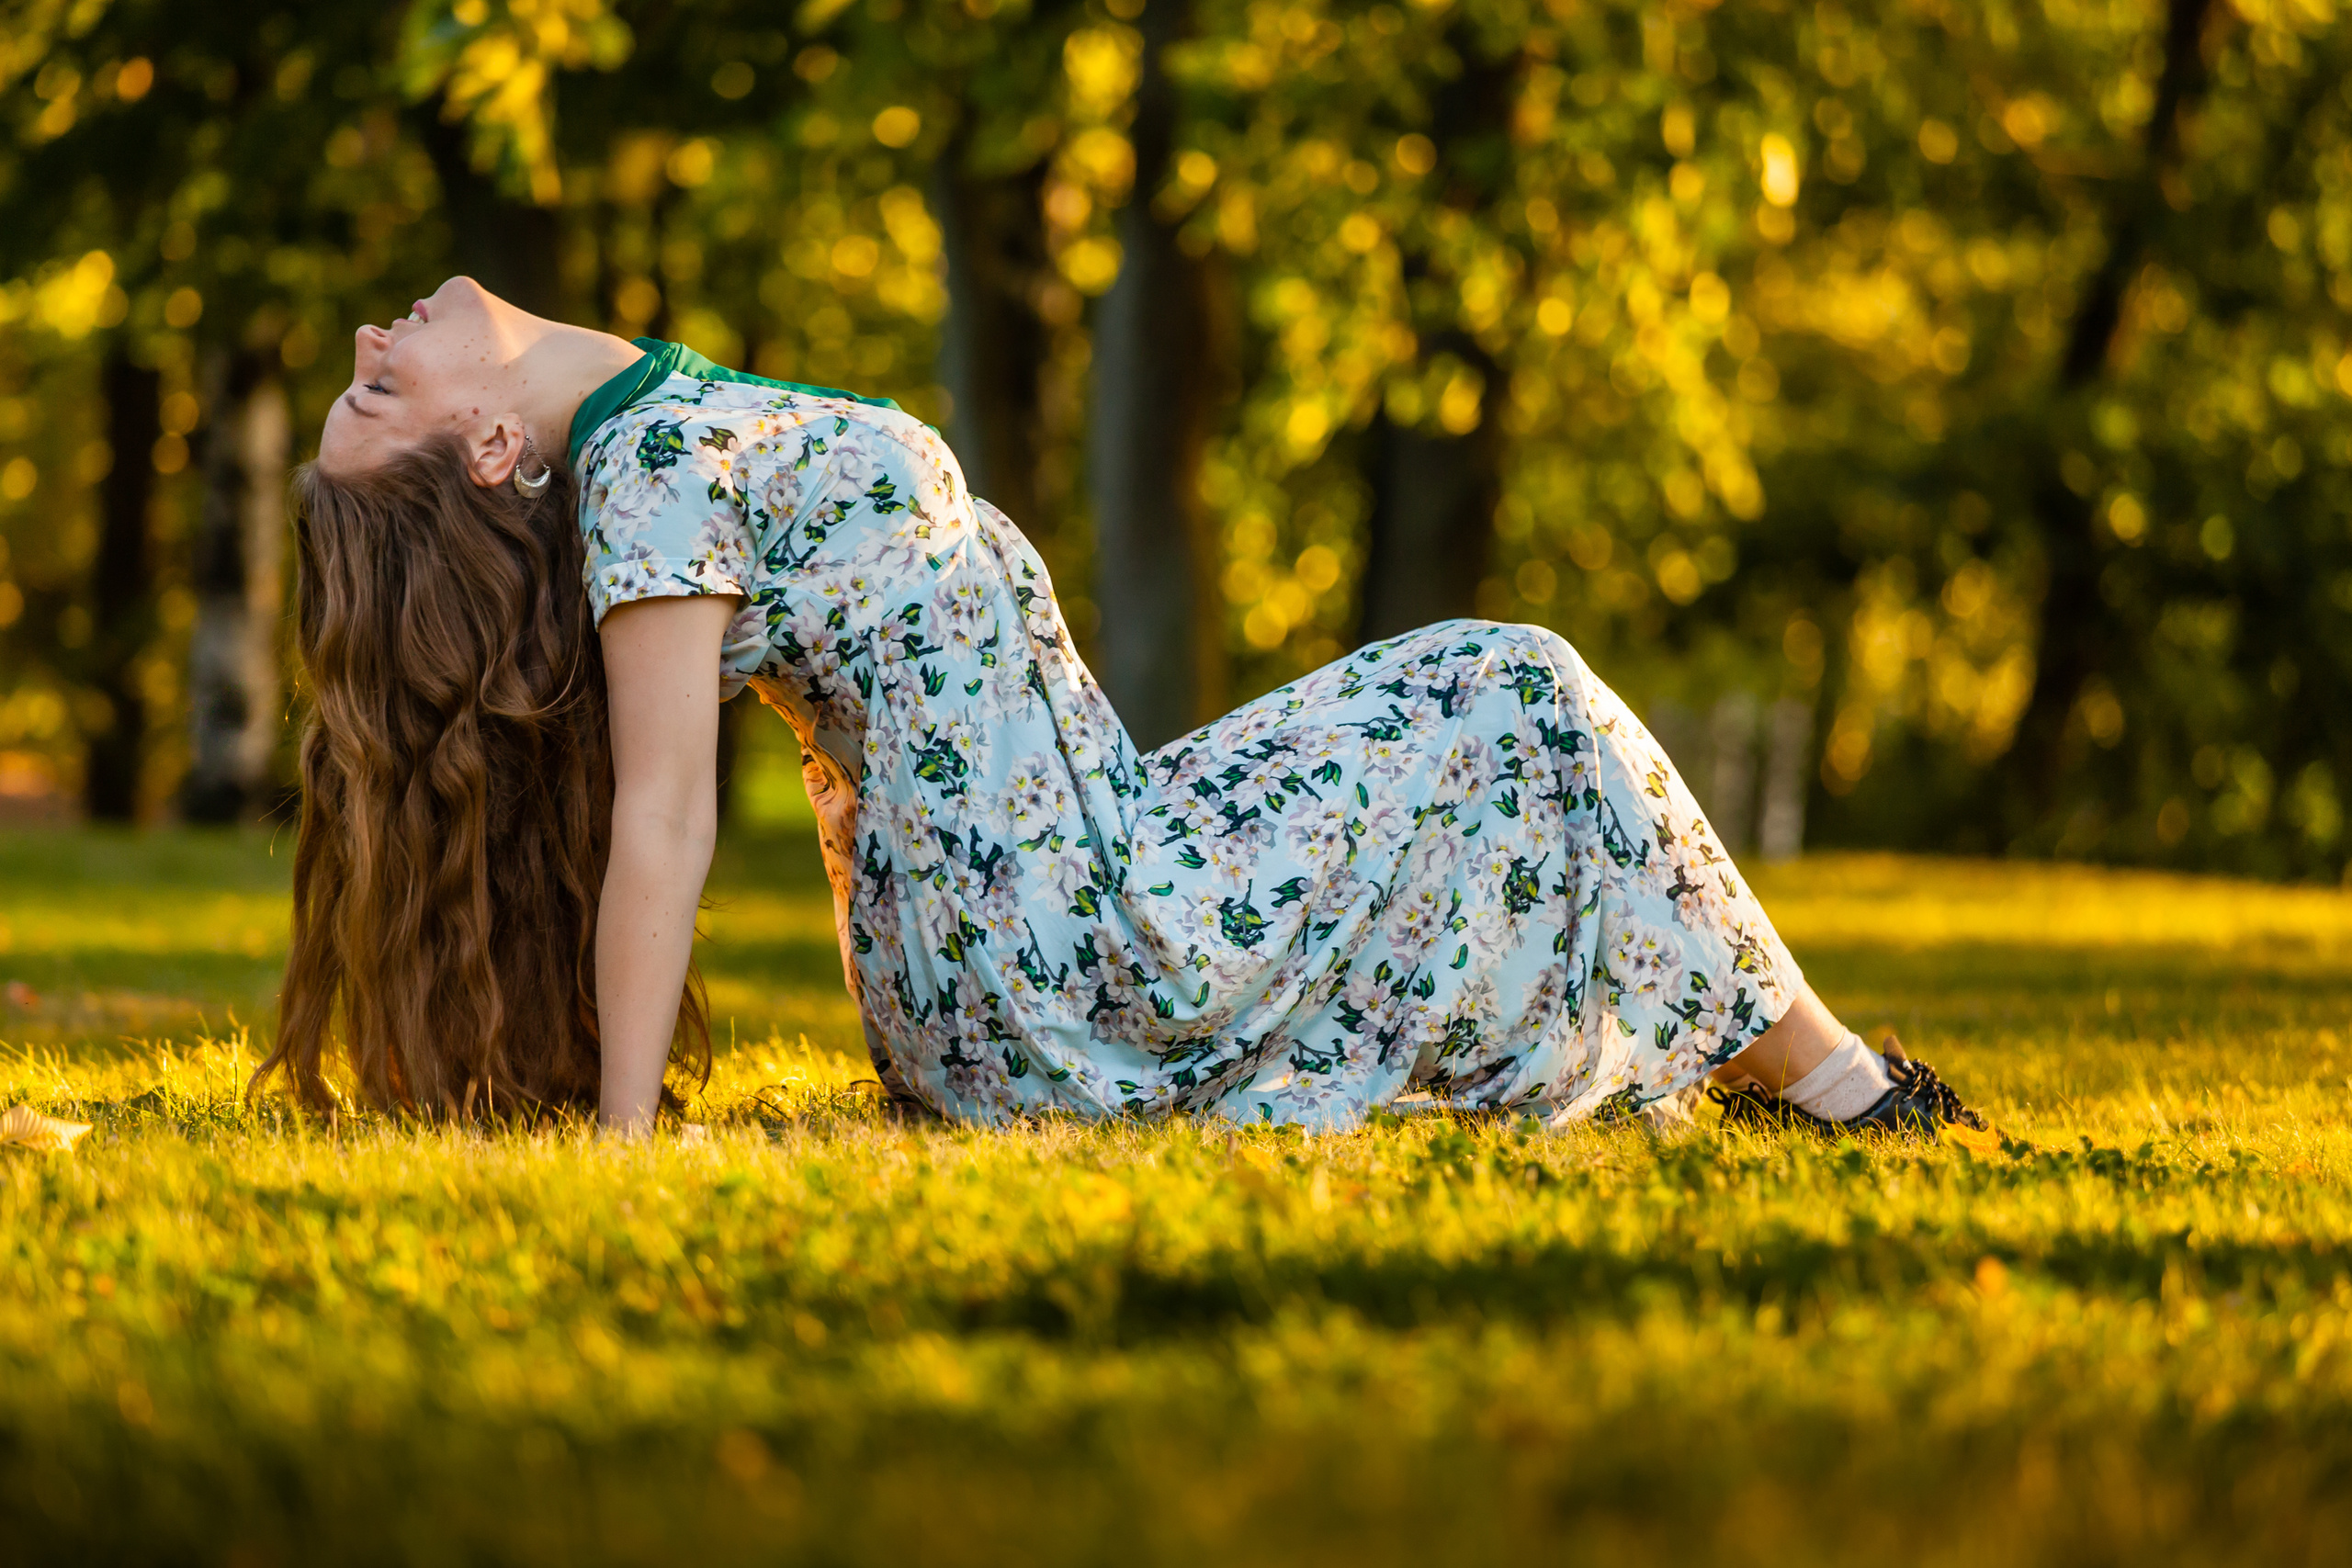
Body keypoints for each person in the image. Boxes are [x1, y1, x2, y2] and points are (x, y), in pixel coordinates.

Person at [266, 276, 1984, 1142]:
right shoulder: (643, 473)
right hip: (1066, 949)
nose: (370, 334)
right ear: (494, 451)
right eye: (373, 393)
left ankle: (1806, 1075)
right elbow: (662, 818)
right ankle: (1839, 1090)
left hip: (1101, 856)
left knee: (1497, 699)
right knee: (1509, 681)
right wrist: (623, 1146)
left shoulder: (669, 420)